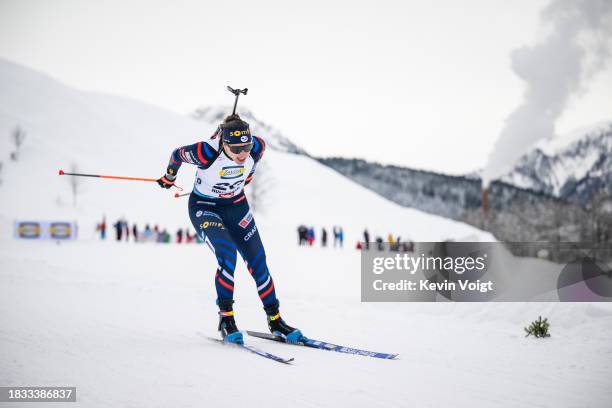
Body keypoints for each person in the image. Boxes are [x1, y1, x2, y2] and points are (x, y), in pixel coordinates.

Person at [156, 114, 305, 345]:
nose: (242, 154)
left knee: (258, 261)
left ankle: (275, 320)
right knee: (227, 256)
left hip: (236, 206)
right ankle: (226, 319)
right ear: (223, 143)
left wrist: (242, 180)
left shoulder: (257, 147)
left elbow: (251, 167)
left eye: (245, 147)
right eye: (236, 149)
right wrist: (169, 176)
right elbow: (177, 155)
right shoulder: (206, 152)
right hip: (205, 208)